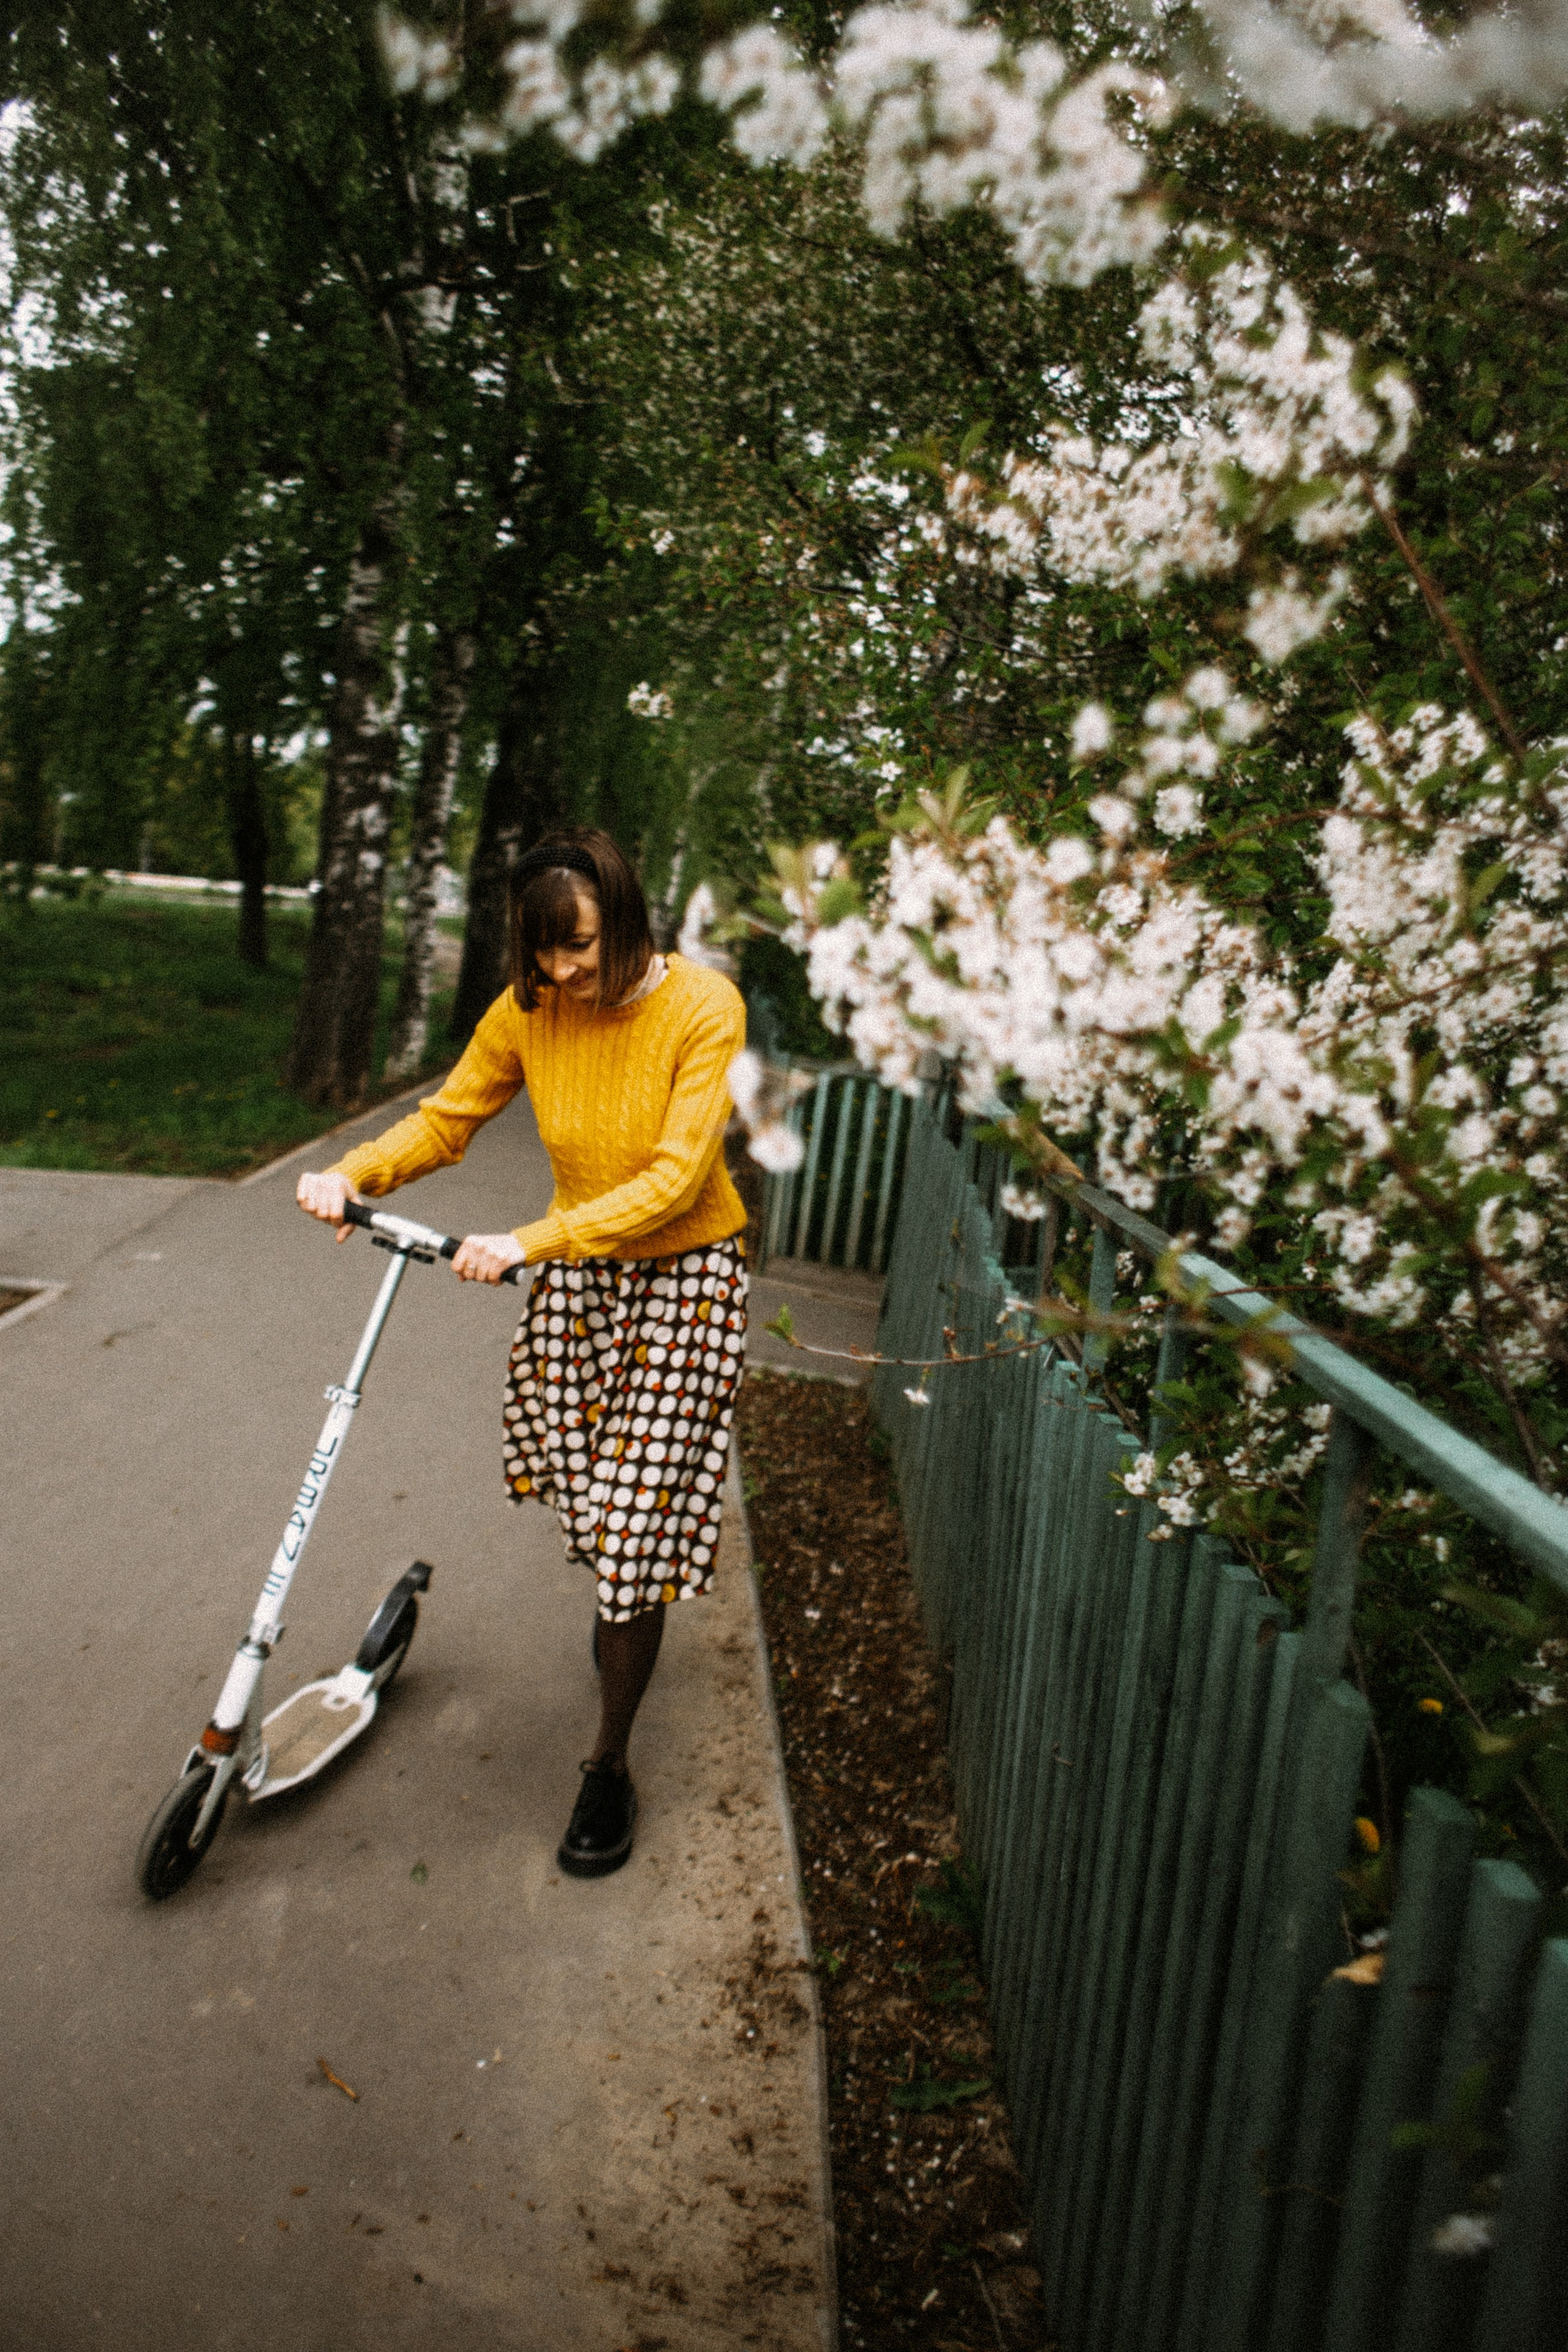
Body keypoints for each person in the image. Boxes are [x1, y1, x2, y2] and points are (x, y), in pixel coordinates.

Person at [295, 828, 748, 1879]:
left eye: (580, 945)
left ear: (625, 915)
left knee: (632, 1538)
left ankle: (608, 1764)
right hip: (584, 1277)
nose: (562, 972)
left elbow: (680, 1179)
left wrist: (528, 1241)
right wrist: (355, 1172)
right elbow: (451, 1119)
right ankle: (622, 1619)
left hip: (685, 1283)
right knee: (597, 1505)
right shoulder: (532, 1010)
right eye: (543, 951)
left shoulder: (703, 1008)